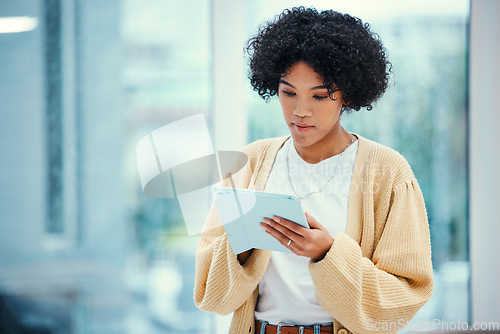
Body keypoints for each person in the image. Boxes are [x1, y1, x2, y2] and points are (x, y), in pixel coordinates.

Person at [194, 7, 433, 334]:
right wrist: (241, 246)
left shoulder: (388, 173)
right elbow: (211, 297)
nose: (300, 111)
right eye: (288, 92)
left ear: (346, 94)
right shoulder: (250, 163)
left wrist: (328, 254)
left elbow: (406, 297)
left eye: (320, 96)